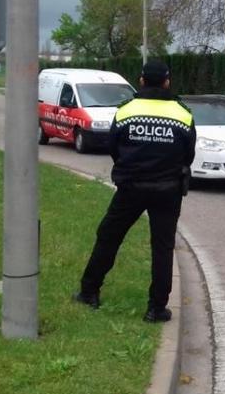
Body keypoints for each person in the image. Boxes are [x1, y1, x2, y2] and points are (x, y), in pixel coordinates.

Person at [74, 61, 196, 323]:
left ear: (141, 81)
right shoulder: (183, 114)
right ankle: (156, 308)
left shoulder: (126, 111)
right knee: (162, 247)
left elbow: (114, 147)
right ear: (166, 82)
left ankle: (89, 291)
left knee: (108, 236)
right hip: (168, 190)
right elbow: (189, 154)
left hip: (130, 187)